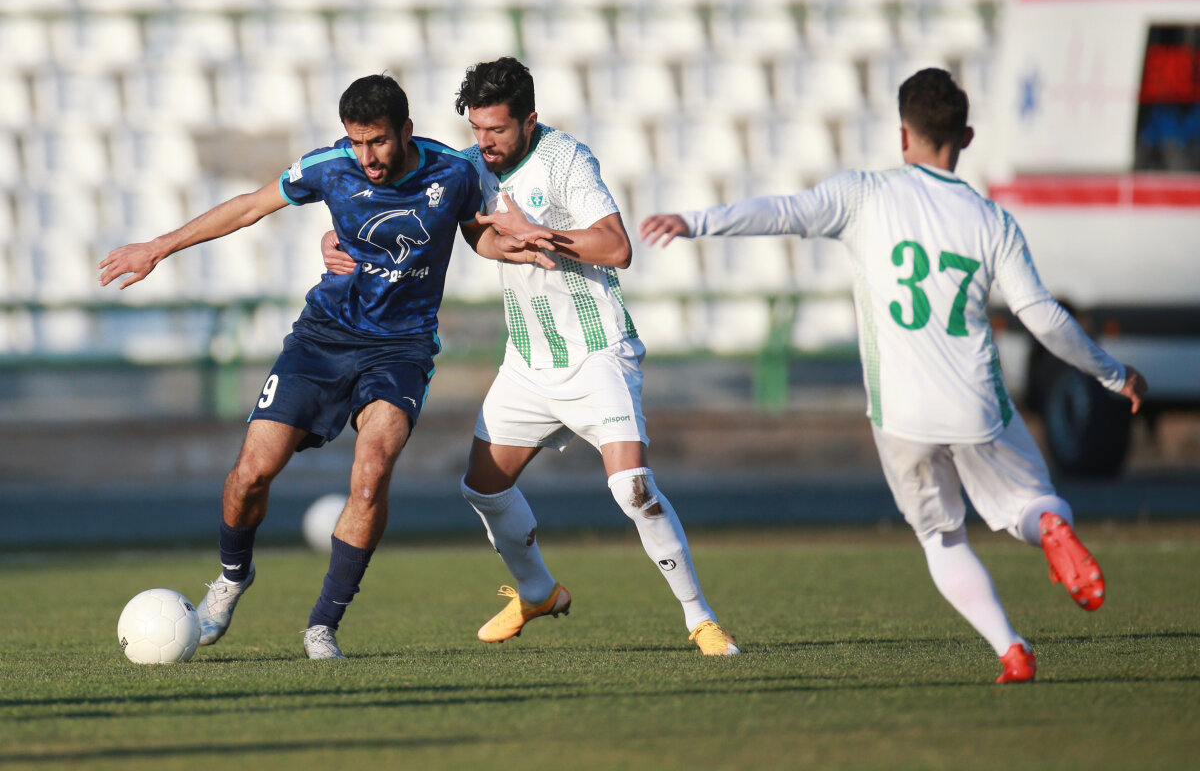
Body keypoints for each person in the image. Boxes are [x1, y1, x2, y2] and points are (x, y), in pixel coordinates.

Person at [639, 68, 1148, 681]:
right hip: (976, 403)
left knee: (942, 539)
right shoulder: (991, 221)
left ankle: (1011, 648)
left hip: (901, 413)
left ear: (904, 134)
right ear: (966, 137)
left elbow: (784, 212)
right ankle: (1048, 526)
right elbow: (1041, 315)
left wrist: (695, 221)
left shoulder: (863, 194)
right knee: (1033, 501)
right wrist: (1112, 373)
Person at [100, 74, 554, 660]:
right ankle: (233, 577)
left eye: (379, 142)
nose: (367, 157)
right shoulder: (330, 166)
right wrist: (156, 248)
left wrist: (509, 246)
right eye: (357, 142)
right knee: (251, 473)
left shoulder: (454, 172)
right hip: (322, 339)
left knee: (371, 473)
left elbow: (476, 236)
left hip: (401, 349)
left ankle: (322, 626)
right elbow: (249, 206)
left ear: (406, 131)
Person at [323, 57, 739, 655]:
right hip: (528, 361)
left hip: (597, 354)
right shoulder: (468, 167)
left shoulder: (567, 160)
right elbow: (446, 223)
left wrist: (539, 233)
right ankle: (538, 590)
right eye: (476, 128)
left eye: (497, 129)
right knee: (482, 489)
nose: (485, 142)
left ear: (529, 120)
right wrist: (335, 236)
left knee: (632, 489)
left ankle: (700, 618)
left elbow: (617, 248)